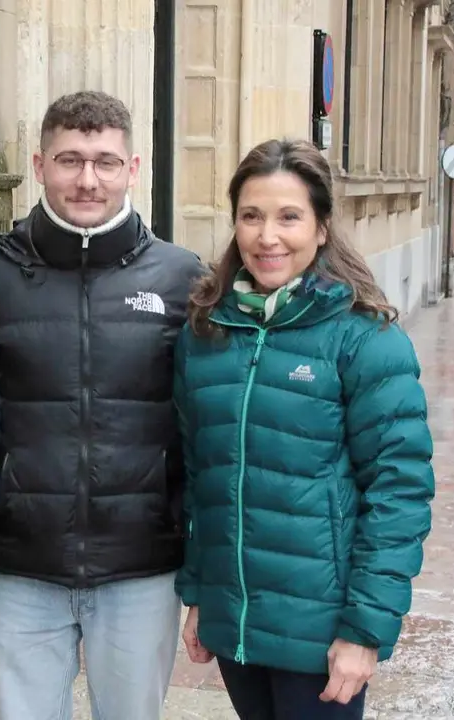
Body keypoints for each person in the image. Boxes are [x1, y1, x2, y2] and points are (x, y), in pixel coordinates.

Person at [174, 138, 435, 720]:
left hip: (321, 634)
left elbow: (399, 493)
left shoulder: (364, 339)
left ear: (321, 228)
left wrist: (365, 631)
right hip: (238, 622)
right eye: (251, 216)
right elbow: (200, 479)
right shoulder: (206, 334)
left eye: (289, 216)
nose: (268, 236)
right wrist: (201, 598)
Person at [0, 91, 204, 720]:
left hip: (141, 566)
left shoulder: (182, 279)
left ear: (132, 168)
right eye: (70, 160)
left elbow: (201, 426)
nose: (87, 179)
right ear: (40, 164)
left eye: (104, 161)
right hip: (22, 565)